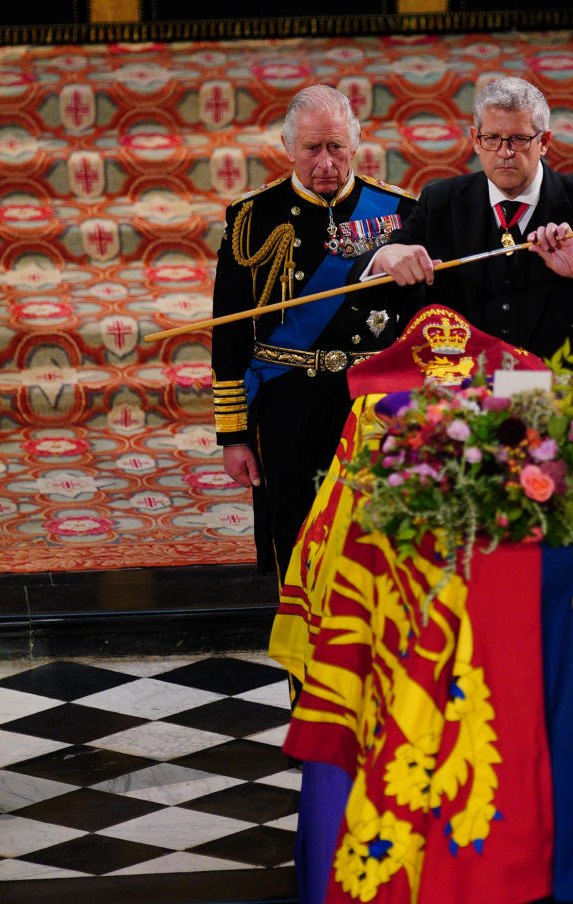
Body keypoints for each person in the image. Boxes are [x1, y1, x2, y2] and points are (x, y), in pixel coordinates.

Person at [211, 84, 416, 581]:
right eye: (311, 149)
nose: (325, 162)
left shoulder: (400, 214)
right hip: (287, 401)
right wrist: (233, 435)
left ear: (356, 143)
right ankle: (299, 653)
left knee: (375, 536)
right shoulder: (251, 219)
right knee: (296, 531)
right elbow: (230, 334)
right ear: (288, 148)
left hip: (372, 402)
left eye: (336, 147)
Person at [358, 76, 573, 394]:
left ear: (544, 141)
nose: (505, 152)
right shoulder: (441, 201)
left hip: (566, 397)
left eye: (519, 139)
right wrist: (385, 256)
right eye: (492, 138)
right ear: (475, 140)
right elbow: (374, 280)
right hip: (466, 396)